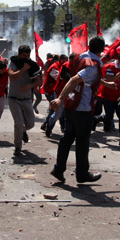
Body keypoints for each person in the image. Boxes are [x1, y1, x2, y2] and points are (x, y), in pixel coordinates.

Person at [49, 36, 105, 185]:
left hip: (72, 104)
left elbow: (85, 78)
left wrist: (105, 83)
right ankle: (82, 173)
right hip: (82, 107)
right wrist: (60, 98)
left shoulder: (82, 58)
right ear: (102, 49)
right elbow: (75, 79)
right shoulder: (93, 64)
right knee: (82, 142)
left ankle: (59, 168)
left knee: (67, 138)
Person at [7, 45, 42, 156]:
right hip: (13, 99)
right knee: (18, 123)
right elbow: (12, 76)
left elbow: (38, 81)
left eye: (28, 56)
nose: (26, 58)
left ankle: (23, 131)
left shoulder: (33, 66)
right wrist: (23, 69)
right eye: (24, 55)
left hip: (27, 99)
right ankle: (18, 147)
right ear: (19, 54)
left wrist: (29, 86)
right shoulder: (14, 62)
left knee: (30, 123)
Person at [95, 52, 120, 146]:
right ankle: (97, 119)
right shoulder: (110, 67)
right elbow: (109, 80)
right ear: (119, 61)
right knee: (109, 117)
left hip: (119, 96)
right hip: (108, 96)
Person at [41, 54, 70, 137]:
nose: (66, 62)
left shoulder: (62, 66)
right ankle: (47, 125)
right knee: (55, 110)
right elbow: (57, 77)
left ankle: (57, 126)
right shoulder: (55, 66)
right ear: (61, 60)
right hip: (51, 90)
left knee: (59, 111)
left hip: (56, 90)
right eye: (65, 60)